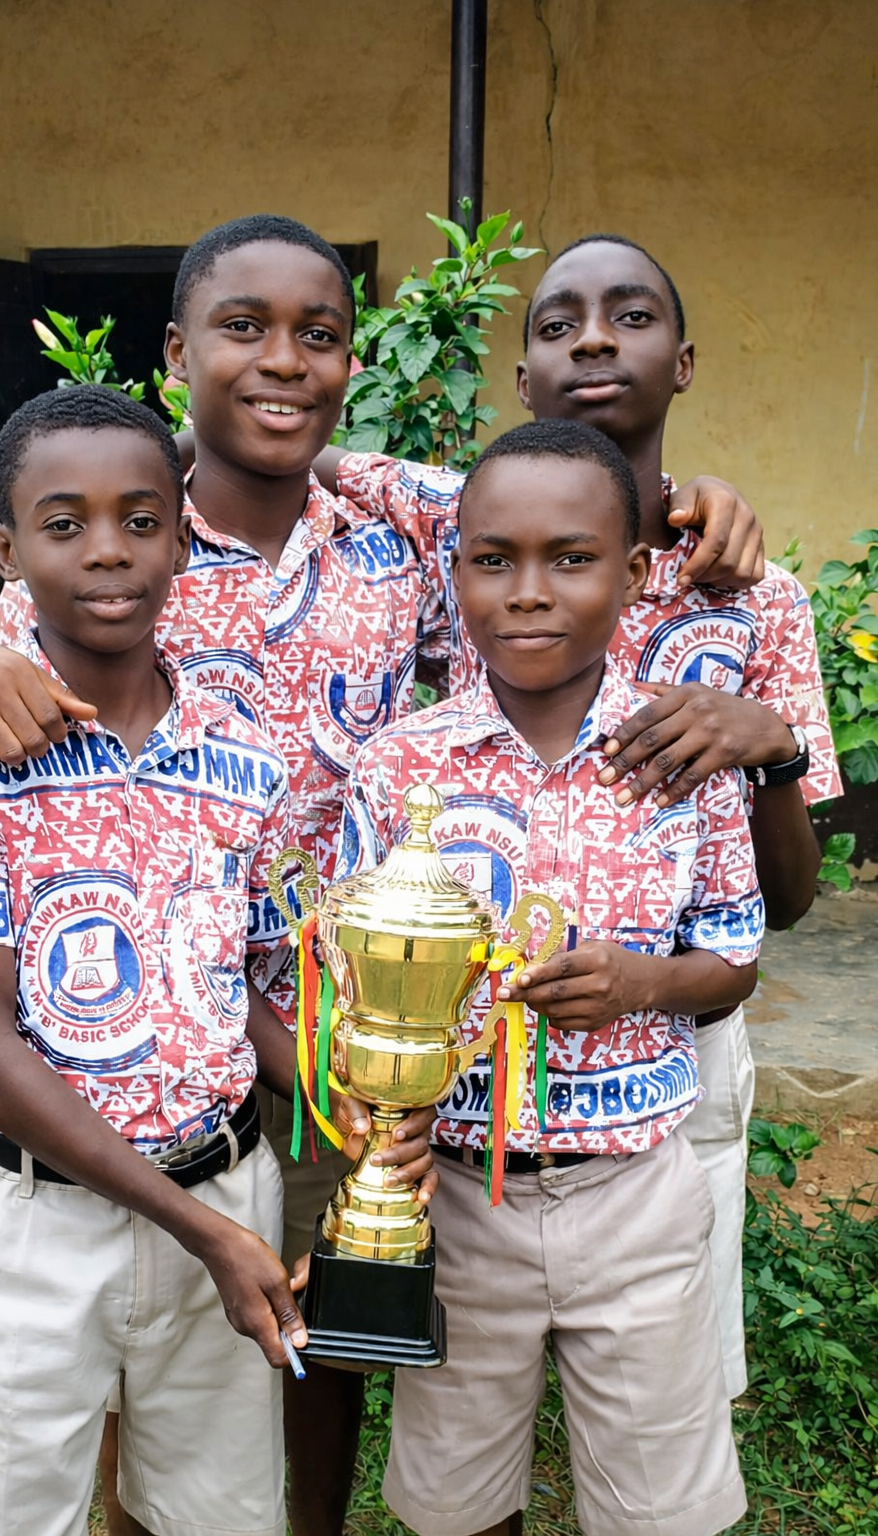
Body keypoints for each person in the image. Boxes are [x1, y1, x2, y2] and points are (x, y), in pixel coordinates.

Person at [0, 216, 440, 1536]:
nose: (110, 549)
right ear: (176, 350)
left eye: (319, 334)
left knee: (259, 1421)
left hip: (280, 1064)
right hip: (65, 1177)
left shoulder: (385, 533)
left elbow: (565, 509)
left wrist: (340, 1079)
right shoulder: (25, 668)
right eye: (243, 328)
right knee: (64, 1459)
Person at [322, 233, 841, 1395]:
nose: (593, 339)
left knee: (664, 1369)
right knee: (469, 1375)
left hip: (676, 1056)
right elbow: (267, 432)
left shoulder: (757, 599)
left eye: (629, 317)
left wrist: (773, 752)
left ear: (685, 361)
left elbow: (790, 906)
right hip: (462, 1083)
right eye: (556, 324)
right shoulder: (458, 521)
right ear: (520, 380)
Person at [0, 385, 314, 1536]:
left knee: (221, 1517)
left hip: (230, 1185)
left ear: (180, 533)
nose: (108, 552)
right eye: (64, 525)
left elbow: (241, 986)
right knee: (30, 1520)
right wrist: (205, 1233)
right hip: (44, 1232)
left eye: (141, 519)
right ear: (9, 551)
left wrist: (331, 1082)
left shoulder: (240, 748)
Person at [330, 418, 764, 1536]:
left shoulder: (678, 752)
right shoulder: (398, 768)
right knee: (456, 1500)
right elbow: (348, 984)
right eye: (492, 559)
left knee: (661, 1505)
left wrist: (641, 985)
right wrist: (376, 1112)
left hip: (635, 1196)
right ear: (455, 569)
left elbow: (734, 955)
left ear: (628, 576)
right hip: (461, 1195)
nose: (526, 591)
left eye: (570, 559)